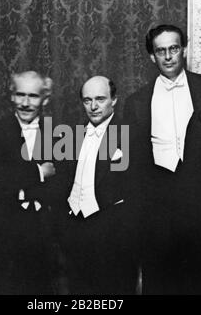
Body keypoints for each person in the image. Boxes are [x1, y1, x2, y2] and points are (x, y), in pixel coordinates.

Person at [123, 24, 201, 294]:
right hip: (157, 213)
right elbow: (133, 167)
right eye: (160, 51)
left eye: (174, 49)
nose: (168, 57)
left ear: (184, 50)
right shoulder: (136, 102)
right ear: (151, 57)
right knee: (160, 284)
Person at [0, 71, 58, 294]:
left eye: (33, 96)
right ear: (11, 96)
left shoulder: (59, 133)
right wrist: (38, 172)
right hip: (2, 230)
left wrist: (17, 179)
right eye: (19, 95)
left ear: (45, 99)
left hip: (45, 232)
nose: (25, 103)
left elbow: (63, 183)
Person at [57, 76, 139, 294]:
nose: (93, 106)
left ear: (114, 100)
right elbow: (62, 183)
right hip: (75, 235)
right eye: (87, 100)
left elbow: (139, 190)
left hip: (113, 239)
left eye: (100, 99)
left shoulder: (128, 134)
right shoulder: (71, 135)